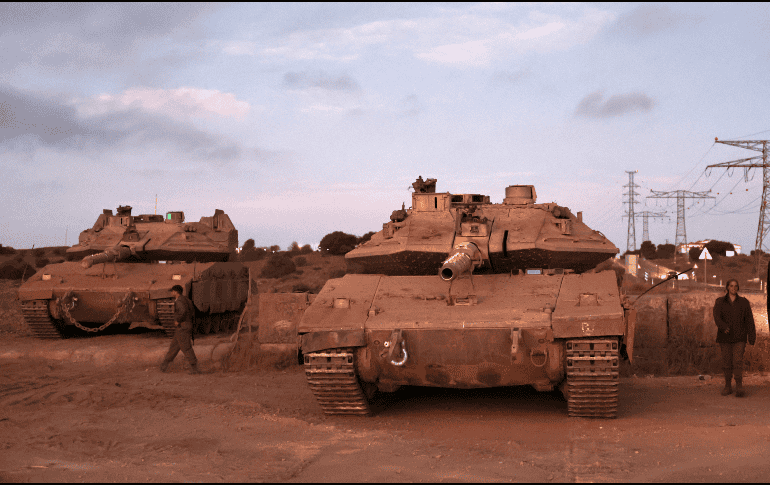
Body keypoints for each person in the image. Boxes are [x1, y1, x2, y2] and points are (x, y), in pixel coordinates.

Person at [713, 279, 755, 397]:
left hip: (740, 337)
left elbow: (749, 320)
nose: (734, 288)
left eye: (736, 286)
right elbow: (716, 317)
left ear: (738, 288)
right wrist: (723, 327)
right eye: (731, 286)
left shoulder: (743, 302)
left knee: (737, 361)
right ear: (727, 287)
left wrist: (752, 336)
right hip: (724, 337)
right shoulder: (720, 302)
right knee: (727, 363)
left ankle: (739, 387)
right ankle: (727, 386)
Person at [160, 285, 201, 374]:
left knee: (186, 347)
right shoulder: (186, 300)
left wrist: (178, 320)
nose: (171, 293)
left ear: (176, 292)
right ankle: (165, 364)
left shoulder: (179, 301)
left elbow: (182, 311)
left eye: (172, 291)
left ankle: (195, 368)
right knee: (174, 346)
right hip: (185, 326)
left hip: (183, 327)